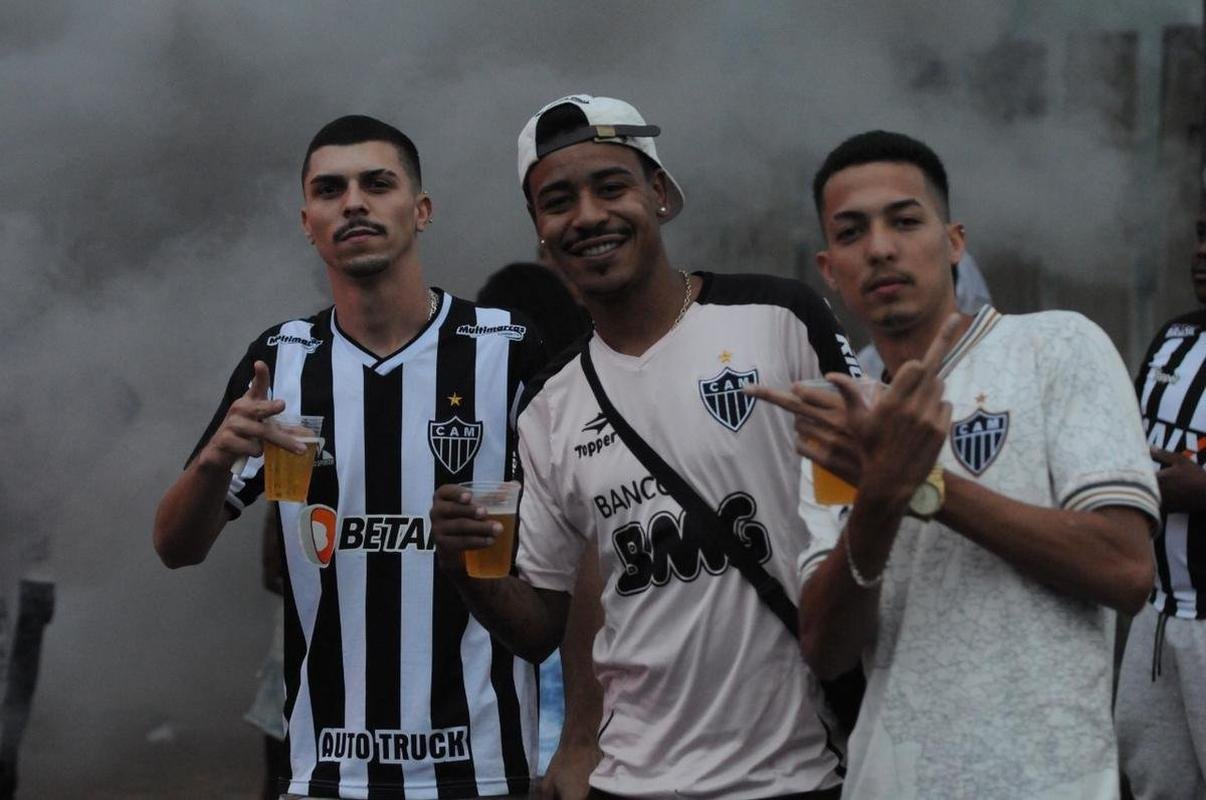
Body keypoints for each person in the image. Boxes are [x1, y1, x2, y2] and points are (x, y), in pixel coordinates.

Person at [432, 93, 862, 799]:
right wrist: (464, 568)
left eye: (612, 186)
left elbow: (869, 491)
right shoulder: (548, 404)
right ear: (540, 230)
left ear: (658, 194)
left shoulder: (777, 318)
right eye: (558, 201)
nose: (589, 217)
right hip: (628, 782)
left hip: (798, 775)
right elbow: (539, 623)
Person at [749, 130, 1159, 799]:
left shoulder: (1056, 347)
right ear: (829, 269)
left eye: (905, 221)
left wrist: (921, 485)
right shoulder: (842, 415)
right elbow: (827, 648)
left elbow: (1124, 569)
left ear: (953, 241)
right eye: (852, 233)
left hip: (1047, 781)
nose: (881, 247)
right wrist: (877, 502)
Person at [153, 115, 544, 799]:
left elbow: (579, 547)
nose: (354, 202)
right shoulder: (281, 361)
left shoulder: (508, 350)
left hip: (484, 769)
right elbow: (176, 547)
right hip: (330, 774)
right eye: (330, 190)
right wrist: (216, 461)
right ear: (307, 221)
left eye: (377, 183)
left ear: (420, 210)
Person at [1115, 209, 1206, 798]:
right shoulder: (1176, 336)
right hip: (1157, 612)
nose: (1201, 251)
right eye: (1201, 234)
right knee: (1154, 783)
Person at [855, 250, 992, 379]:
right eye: (850, 233)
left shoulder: (1003, 350)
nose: (880, 251)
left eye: (907, 224)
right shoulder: (860, 371)